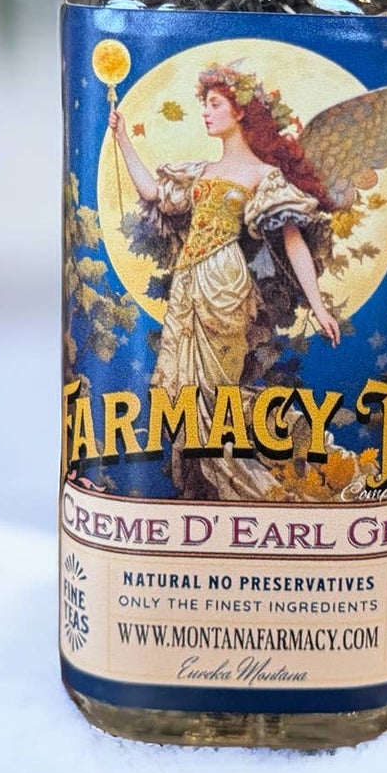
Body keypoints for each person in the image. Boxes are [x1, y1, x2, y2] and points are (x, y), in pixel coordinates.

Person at [109, 65, 339, 500]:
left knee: (218, 395)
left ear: (240, 111)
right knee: (181, 393)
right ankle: (206, 491)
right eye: (205, 104)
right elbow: (154, 193)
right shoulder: (201, 171)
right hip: (187, 287)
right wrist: (122, 138)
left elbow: (293, 242)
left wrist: (319, 306)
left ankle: (256, 483)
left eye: (215, 104)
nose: (206, 112)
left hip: (225, 286)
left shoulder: (264, 176)